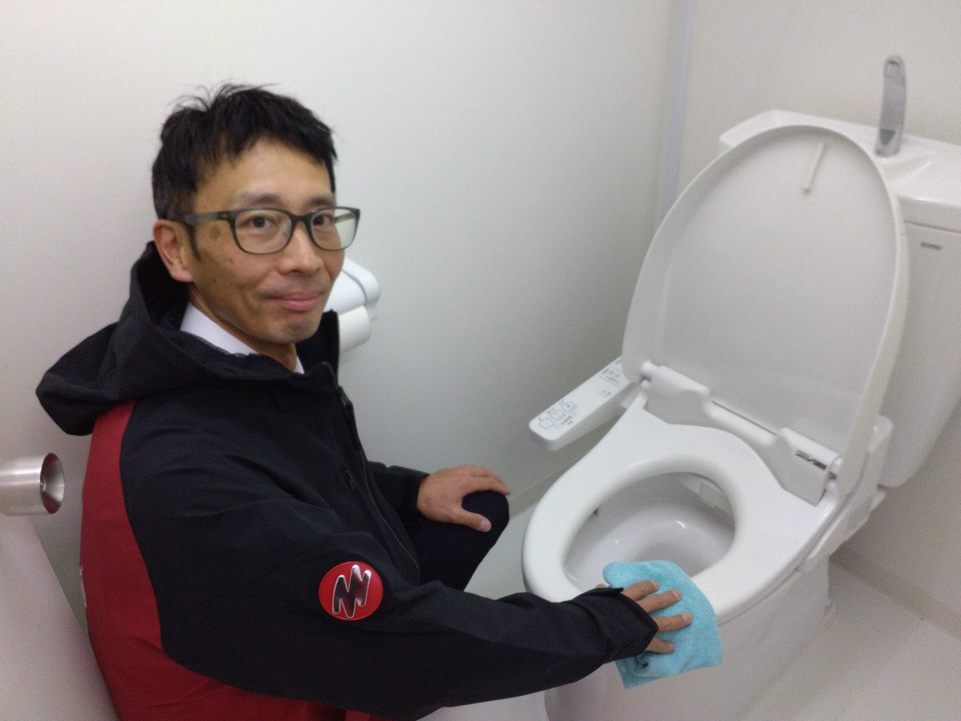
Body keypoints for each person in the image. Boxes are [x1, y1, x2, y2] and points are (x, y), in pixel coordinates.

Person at [37, 85, 691, 721]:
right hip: (269, 700)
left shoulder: (241, 347)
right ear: (178, 248)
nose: (307, 259)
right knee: (431, 646)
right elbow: (403, 652)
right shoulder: (181, 479)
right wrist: (606, 623)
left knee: (479, 507)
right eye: (259, 223)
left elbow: (298, 466)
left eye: (319, 220)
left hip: (288, 621)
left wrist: (409, 493)